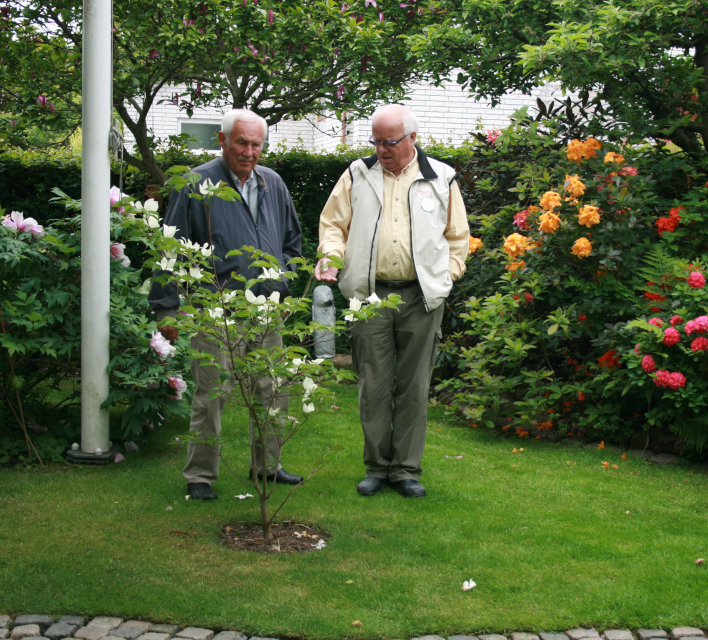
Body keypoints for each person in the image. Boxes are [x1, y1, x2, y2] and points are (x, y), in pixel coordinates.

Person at [314, 104, 469, 498]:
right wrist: (331, 259)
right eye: (377, 141)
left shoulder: (440, 177)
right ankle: (376, 467)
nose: (382, 149)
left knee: (414, 386)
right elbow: (333, 225)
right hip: (370, 295)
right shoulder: (357, 174)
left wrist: (446, 275)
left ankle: (405, 470)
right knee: (374, 385)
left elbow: (457, 238)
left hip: (421, 297)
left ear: (412, 138)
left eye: (390, 142)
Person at [149, 109, 304, 501]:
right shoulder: (197, 184)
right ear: (223, 141)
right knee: (212, 393)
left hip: (265, 309)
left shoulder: (274, 183)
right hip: (215, 308)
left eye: (256, 144)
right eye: (241, 142)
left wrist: (283, 280)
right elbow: (172, 248)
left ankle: (268, 466)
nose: (249, 152)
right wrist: (168, 308)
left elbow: (291, 240)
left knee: (272, 390)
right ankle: (200, 475)